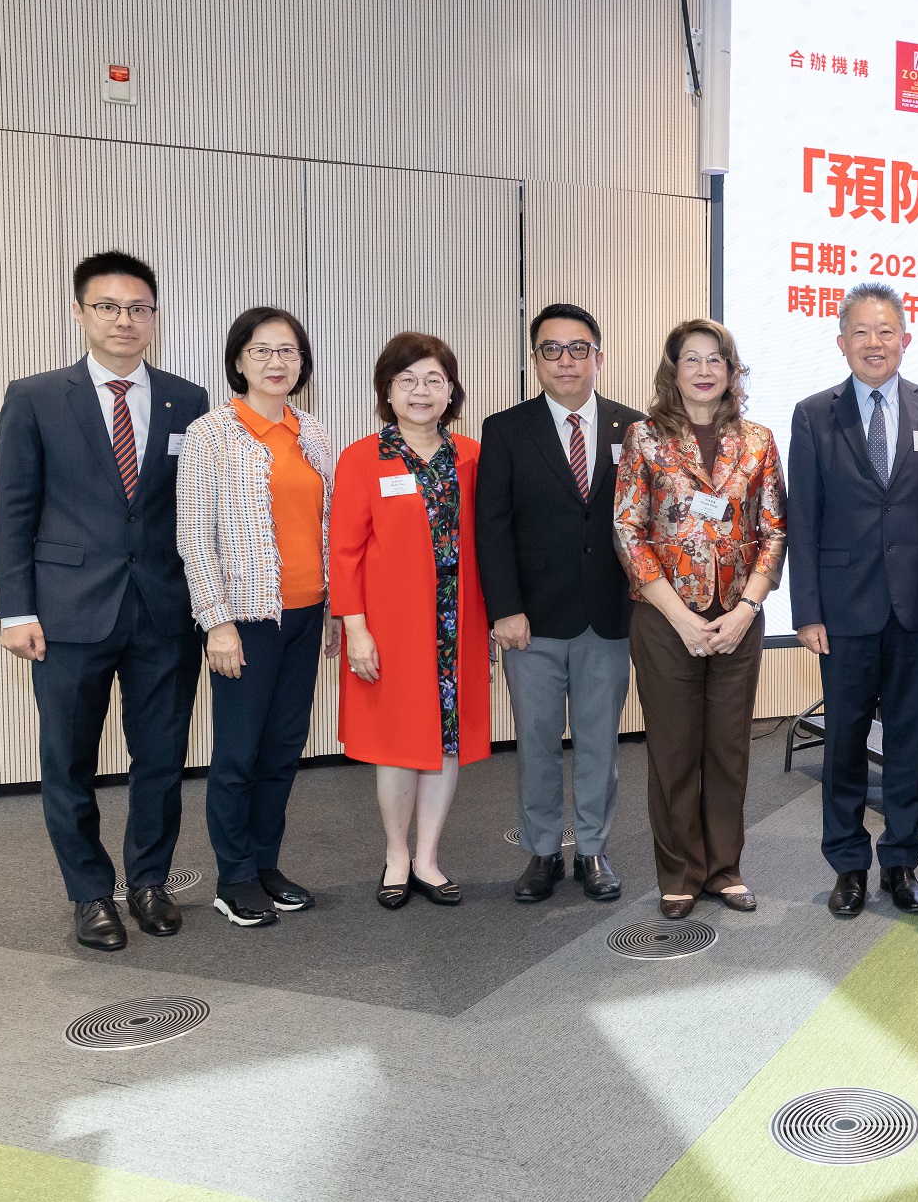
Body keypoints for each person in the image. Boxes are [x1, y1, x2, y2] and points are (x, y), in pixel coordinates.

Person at [0, 251, 208, 952]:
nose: (125, 319)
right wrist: (15, 609)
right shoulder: (34, 397)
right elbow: (14, 511)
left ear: (155, 315)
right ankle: (89, 893)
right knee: (69, 761)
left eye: (139, 307)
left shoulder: (187, 397)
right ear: (80, 311)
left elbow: (192, 511)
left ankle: (148, 881)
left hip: (163, 611)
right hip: (67, 613)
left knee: (161, 758)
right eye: (109, 306)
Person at [789, 283, 918, 918]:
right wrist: (806, 610)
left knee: (911, 741)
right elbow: (801, 518)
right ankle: (848, 864)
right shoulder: (813, 414)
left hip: (917, 607)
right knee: (844, 740)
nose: (874, 343)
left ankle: (901, 861)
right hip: (843, 609)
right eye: (860, 332)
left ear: (905, 340)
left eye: (885, 331)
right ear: (841, 343)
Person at [613, 319, 786, 919]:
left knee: (729, 748)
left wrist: (746, 608)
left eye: (717, 360)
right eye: (693, 360)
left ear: (732, 371)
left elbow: (774, 532)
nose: (706, 370)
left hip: (737, 618)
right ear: (674, 370)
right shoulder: (645, 438)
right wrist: (681, 616)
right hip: (666, 618)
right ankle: (681, 872)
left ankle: (724, 867)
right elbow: (628, 529)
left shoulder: (758, 440)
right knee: (674, 748)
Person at [477, 304, 646, 905]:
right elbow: (490, 529)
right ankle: (544, 851)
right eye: (552, 349)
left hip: (610, 615)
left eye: (579, 348)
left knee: (601, 742)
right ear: (535, 361)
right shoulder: (504, 430)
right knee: (538, 742)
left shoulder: (635, 429)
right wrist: (504, 609)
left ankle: (594, 848)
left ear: (598, 356)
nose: (566, 360)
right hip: (533, 621)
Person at [177, 307, 337, 927]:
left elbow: (327, 527)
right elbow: (194, 534)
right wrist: (215, 622)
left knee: (282, 750)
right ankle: (234, 875)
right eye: (263, 351)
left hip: (305, 614)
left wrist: (331, 611)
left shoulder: (313, 432)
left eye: (289, 352)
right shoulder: (211, 433)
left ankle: (266, 863)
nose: (277, 363)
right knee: (239, 753)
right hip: (244, 620)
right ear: (239, 359)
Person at [330, 333, 491, 909]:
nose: (421, 392)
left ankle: (428, 857)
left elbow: (491, 543)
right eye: (408, 381)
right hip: (391, 628)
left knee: (446, 741)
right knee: (398, 744)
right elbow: (343, 552)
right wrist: (355, 628)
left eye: (434, 381)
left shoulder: (474, 456)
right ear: (387, 391)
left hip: (459, 625)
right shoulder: (362, 457)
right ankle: (397, 856)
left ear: (452, 391)